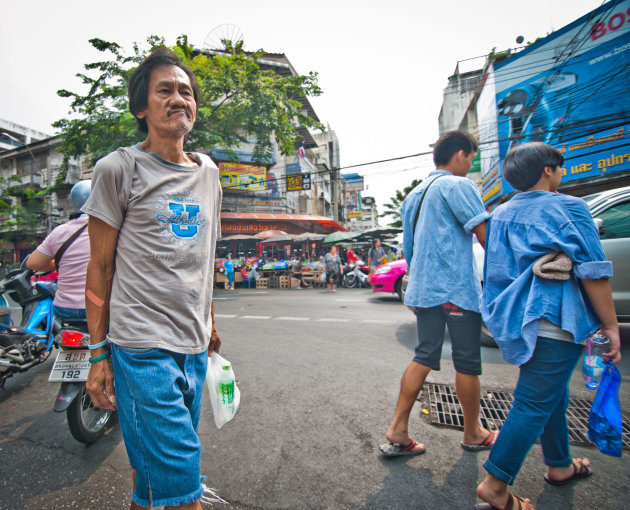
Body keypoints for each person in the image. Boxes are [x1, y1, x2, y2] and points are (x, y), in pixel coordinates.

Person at [83, 48, 225, 509]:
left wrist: (211, 320)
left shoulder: (209, 174)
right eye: (165, 90)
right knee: (184, 493)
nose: (178, 99)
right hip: (142, 350)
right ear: (142, 108)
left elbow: (202, 257)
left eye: (186, 91)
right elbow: (99, 268)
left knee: (152, 484)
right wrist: (99, 353)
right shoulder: (118, 169)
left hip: (194, 346)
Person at [474, 142, 621, 510]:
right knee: (532, 402)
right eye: (560, 167)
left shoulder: (501, 214)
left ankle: (559, 464)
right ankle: (494, 484)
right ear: (547, 170)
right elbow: (593, 271)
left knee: (550, 394)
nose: (562, 172)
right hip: (557, 319)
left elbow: (496, 277)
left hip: (521, 320)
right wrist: (611, 325)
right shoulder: (571, 207)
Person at [381, 130, 494, 458]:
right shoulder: (460, 186)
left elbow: (409, 247)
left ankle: (398, 429)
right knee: (468, 362)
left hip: (423, 289)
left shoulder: (413, 195)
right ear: (459, 154)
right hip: (455, 288)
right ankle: (473, 431)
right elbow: (486, 237)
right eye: (470, 157)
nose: (471, 164)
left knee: (424, 355)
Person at [26, 180, 91, 321]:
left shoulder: (59, 231)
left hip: (64, 309)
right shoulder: (111, 229)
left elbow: (33, 263)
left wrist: (62, 262)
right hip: (100, 307)